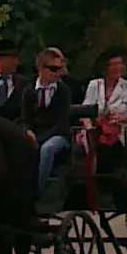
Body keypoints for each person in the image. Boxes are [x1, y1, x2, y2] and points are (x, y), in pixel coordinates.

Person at [25, 47, 79, 190]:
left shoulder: (63, 91)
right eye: (53, 69)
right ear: (41, 69)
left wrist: (39, 140)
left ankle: (38, 192)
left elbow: (62, 123)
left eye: (60, 69)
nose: (58, 74)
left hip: (58, 135)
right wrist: (27, 131)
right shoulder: (29, 91)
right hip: (35, 134)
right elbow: (25, 118)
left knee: (47, 149)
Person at [84, 48, 127, 131]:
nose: (118, 67)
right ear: (106, 68)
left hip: (120, 134)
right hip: (96, 132)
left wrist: (125, 118)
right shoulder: (94, 85)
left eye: (120, 64)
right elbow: (85, 112)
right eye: (114, 64)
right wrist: (90, 129)